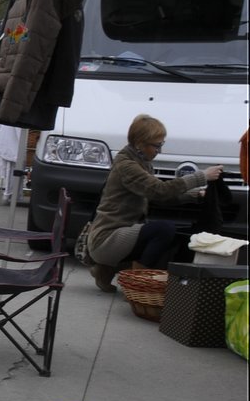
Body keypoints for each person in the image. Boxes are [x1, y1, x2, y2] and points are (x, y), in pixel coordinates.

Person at [83, 114, 222, 291]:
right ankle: (136, 286)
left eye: (161, 145)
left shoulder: (141, 162)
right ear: (140, 143)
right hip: (106, 238)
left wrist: (195, 195)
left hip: (118, 235)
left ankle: (105, 270)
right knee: (164, 230)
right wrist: (201, 176)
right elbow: (159, 190)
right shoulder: (127, 165)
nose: (159, 150)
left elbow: (158, 195)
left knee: (171, 237)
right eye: (157, 145)